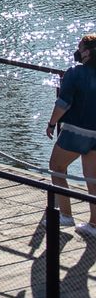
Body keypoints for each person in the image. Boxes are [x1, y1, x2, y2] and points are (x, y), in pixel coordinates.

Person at [47, 34, 96, 236]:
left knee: (57, 167)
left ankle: (66, 215)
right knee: (92, 178)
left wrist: (51, 123)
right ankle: (94, 225)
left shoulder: (75, 73)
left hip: (77, 130)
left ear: (86, 52)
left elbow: (63, 104)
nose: (77, 51)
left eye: (80, 47)